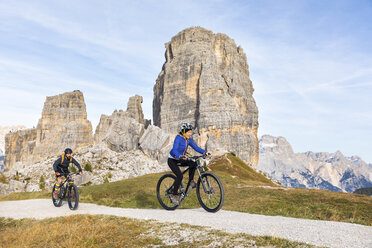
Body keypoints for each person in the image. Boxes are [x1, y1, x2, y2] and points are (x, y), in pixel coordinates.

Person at [168, 123, 209, 205]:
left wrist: (205, 152)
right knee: (180, 176)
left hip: (181, 158)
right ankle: (174, 195)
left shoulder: (188, 140)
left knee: (193, 163)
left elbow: (196, 147)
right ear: (183, 132)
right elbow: (174, 150)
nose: (190, 134)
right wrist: (179, 156)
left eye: (191, 132)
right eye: (188, 132)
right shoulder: (178, 138)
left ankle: (191, 181)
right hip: (173, 160)